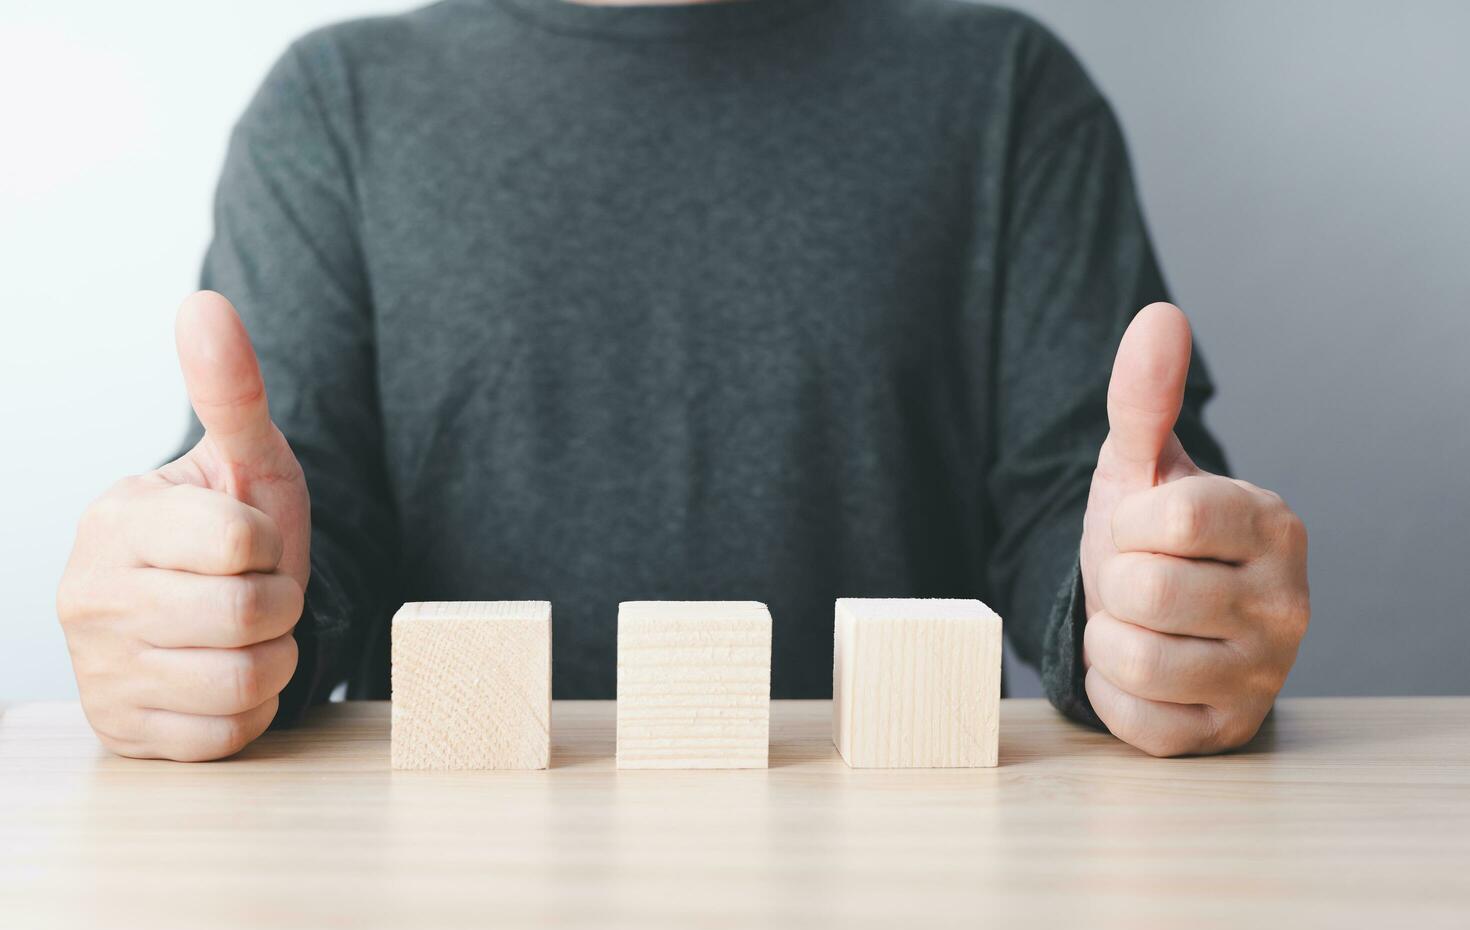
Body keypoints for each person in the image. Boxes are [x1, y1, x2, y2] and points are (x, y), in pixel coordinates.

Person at [55, 0, 1309, 762]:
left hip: (908, 892)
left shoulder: (1007, 92)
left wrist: (1155, 610)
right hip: (448, 901)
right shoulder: (333, 105)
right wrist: (211, 606)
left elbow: (1077, 521)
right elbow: (294, 534)